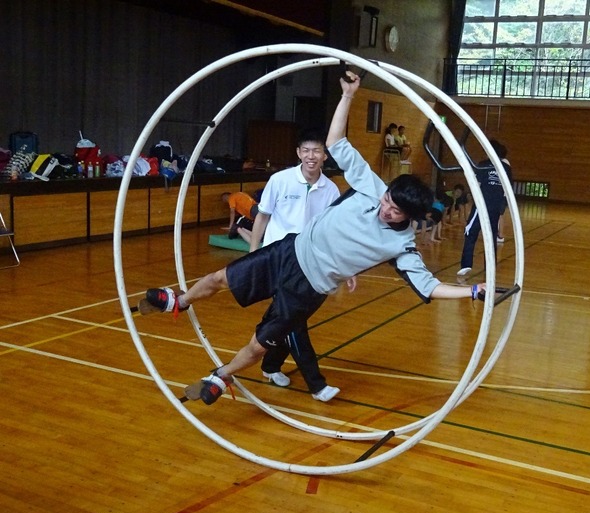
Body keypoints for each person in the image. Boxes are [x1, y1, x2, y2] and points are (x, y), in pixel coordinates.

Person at [138, 71, 487, 406]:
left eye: (395, 211)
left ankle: (221, 377)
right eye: (387, 201)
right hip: (288, 253)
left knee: (260, 345)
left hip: (309, 289)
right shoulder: (372, 186)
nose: (385, 210)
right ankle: (179, 302)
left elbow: (428, 287)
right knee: (219, 277)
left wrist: (470, 291)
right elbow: (336, 142)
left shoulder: (402, 245)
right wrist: (348, 95)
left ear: (409, 217)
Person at [248, 128, 342, 402]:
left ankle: (269, 364)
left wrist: (340, 266)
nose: (311, 156)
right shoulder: (280, 180)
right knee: (293, 320)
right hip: (278, 258)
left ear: (325, 155)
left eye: (317, 151)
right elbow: (262, 217)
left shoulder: (331, 189)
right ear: (299, 153)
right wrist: (254, 254)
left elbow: (330, 230)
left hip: (309, 262)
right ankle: (317, 385)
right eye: (306, 150)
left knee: (285, 318)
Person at [456, 140, 513, 277]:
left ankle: (466, 264)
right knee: (491, 237)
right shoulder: (506, 168)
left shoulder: (482, 166)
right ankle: (490, 268)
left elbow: (476, 184)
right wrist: (502, 204)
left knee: (470, 233)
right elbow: (508, 189)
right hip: (495, 206)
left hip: (482, 205)